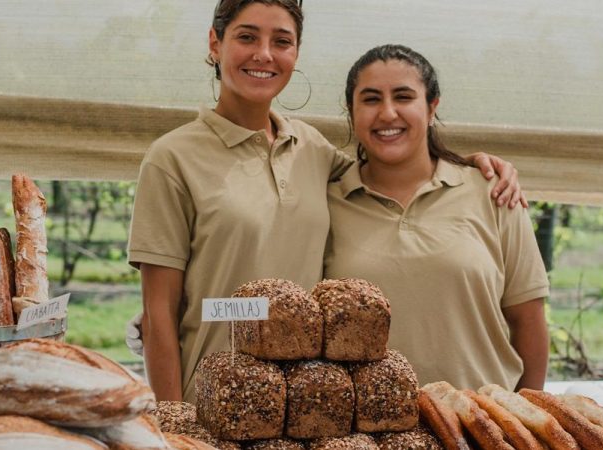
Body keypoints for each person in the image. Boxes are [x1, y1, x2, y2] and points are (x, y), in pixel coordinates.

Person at [127, 0, 525, 403]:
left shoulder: (311, 148)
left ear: (296, 53)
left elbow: (391, 165)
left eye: (281, 41)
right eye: (247, 37)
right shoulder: (172, 158)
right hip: (213, 400)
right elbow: (160, 315)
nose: (263, 54)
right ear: (215, 43)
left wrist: (470, 166)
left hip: (308, 404)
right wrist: (173, 419)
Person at [323, 44, 550, 391]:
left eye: (403, 97)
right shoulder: (326, 201)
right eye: (370, 99)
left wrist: (525, 413)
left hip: (480, 418)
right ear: (351, 113)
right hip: (366, 422)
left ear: (432, 108)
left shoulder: (493, 192)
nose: (387, 113)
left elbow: (528, 320)